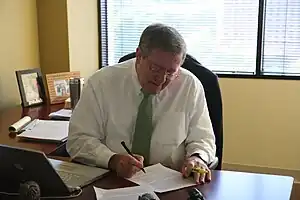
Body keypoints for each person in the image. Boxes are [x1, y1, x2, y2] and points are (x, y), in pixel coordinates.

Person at [66, 23, 216, 185]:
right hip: (113, 181)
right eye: (155, 68)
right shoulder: (101, 83)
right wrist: (112, 160)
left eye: (170, 72)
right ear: (139, 55)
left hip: (173, 183)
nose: (161, 79)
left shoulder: (190, 86)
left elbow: (203, 138)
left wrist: (197, 157)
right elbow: (78, 139)